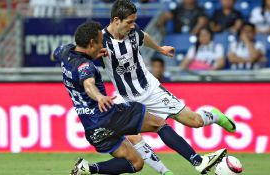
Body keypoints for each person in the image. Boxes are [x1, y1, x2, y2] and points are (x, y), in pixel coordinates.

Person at [52, 21, 227, 175]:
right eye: (99, 42)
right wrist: (99, 97)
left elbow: (55, 54)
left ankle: (88, 169)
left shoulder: (65, 52)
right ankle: (198, 161)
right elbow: (88, 84)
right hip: (108, 116)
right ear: (91, 43)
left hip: (92, 128)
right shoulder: (85, 67)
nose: (101, 46)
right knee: (159, 124)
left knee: (136, 163)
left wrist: (91, 54)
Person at [101, 0, 236, 174]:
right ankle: (166, 172)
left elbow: (143, 36)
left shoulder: (133, 31)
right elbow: (83, 54)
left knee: (194, 121)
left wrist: (159, 49)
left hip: (151, 90)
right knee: (134, 137)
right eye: (129, 22)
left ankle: (214, 116)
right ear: (116, 20)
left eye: (134, 21)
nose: (133, 25)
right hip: (125, 97)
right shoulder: (101, 40)